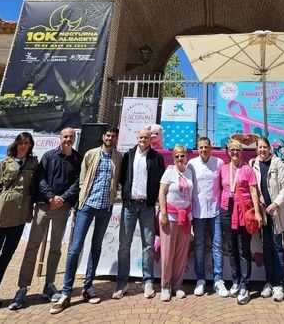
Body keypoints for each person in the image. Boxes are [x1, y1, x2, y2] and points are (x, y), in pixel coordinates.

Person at [50, 128, 122, 314]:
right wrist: (82, 197)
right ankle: (66, 292)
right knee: (75, 247)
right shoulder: (91, 154)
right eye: (107, 135)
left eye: (113, 136)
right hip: (87, 205)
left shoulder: (118, 157)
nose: (110, 138)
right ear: (103, 137)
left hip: (105, 207)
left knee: (96, 246)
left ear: (116, 139)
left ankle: (88, 287)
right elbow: (82, 178)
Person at [9, 128, 79, 309]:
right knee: (33, 246)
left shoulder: (77, 159)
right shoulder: (48, 156)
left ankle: (49, 285)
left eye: (71, 137)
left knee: (56, 248)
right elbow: (40, 179)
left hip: (62, 208)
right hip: (43, 205)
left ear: (75, 138)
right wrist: (50, 197)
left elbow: (78, 182)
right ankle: (23, 287)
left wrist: (62, 198)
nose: (68, 139)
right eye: (65, 136)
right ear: (60, 138)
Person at [0, 132, 38, 317]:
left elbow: (32, 188)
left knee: (7, 255)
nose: (23, 146)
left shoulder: (33, 163)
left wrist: (30, 210)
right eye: (21, 143)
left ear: (30, 145)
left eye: (26, 143)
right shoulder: (5, 162)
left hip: (19, 217)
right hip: (2, 216)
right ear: (16, 144)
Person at [113, 128, 166, 299]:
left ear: (151, 139)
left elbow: (160, 180)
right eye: (141, 137)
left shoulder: (156, 157)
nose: (143, 139)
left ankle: (148, 280)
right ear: (137, 137)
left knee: (148, 246)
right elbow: (122, 178)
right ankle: (122, 282)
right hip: (129, 206)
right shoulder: (128, 156)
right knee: (124, 245)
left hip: (147, 208)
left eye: (146, 137)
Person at [219, 139, 262, 305]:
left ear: (241, 152)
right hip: (226, 210)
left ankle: (245, 284)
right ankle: (235, 280)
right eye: (231, 150)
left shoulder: (247, 169)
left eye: (237, 150)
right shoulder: (223, 169)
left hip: (243, 211)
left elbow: (253, 191)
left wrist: (257, 212)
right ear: (228, 152)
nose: (234, 153)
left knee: (244, 249)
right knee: (231, 248)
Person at [251, 137, 284, 302]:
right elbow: (254, 187)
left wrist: (275, 204)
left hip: (276, 213)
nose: (261, 150)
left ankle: (279, 284)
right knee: (266, 247)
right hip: (263, 214)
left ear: (269, 148)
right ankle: (269, 282)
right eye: (259, 147)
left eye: (264, 147)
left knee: (278, 247)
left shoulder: (278, 164)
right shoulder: (254, 164)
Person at [187, 136, 228, 297]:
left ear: (211, 148)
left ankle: (218, 280)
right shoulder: (191, 164)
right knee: (199, 246)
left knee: (217, 245)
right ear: (197, 149)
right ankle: (201, 280)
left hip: (215, 211)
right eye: (201, 147)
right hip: (198, 212)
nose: (203, 150)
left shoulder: (219, 163)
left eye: (206, 147)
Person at [158, 145, 194, 301]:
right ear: (174, 157)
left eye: (182, 155)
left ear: (186, 156)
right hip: (170, 217)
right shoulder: (169, 171)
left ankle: (177, 284)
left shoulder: (190, 172)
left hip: (185, 217)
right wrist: (164, 213)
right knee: (167, 253)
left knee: (181, 253)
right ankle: (165, 286)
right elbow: (162, 193)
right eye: (177, 156)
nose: (180, 158)